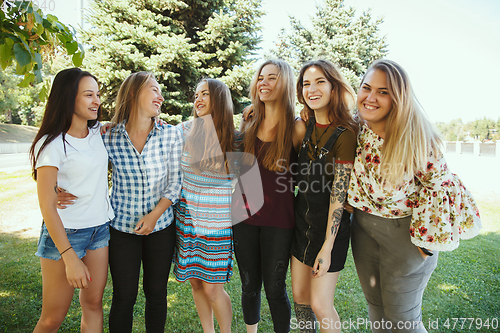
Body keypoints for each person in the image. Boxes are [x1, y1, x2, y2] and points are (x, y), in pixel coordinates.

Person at [346, 59, 482, 332]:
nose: (370, 98)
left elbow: (440, 188)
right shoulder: (356, 128)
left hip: (406, 236)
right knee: (377, 312)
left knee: (403, 321)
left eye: (383, 92)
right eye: (366, 88)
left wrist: (424, 246)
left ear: (398, 98)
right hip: (363, 230)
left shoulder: (416, 138)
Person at [29, 68, 114, 333]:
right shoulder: (52, 143)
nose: (96, 101)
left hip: (99, 230)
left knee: (93, 304)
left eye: (97, 94)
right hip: (65, 235)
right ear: (68, 98)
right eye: (88, 95)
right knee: (53, 318)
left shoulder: (98, 132)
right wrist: (69, 257)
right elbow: (47, 206)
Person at [103, 72, 183, 332]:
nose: (161, 97)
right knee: (124, 297)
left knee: (156, 294)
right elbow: (82, 165)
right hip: (121, 229)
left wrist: (155, 215)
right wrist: (58, 187)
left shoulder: (170, 135)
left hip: (160, 228)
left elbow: (175, 183)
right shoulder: (108, 135)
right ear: (134, 93)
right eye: (155, 90)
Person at [232, 59, 305, 333]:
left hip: (279, 222)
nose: (263, 82)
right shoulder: (250, 119)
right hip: (243, 217)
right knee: (250, 286)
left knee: (275, 288)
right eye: (261, 77)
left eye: (272, 78)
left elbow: (306, 175)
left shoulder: (296, 128)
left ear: (284, 82)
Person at [291, 60, 358, 333]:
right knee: (300, 299)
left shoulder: (346, 133)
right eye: (307, 83)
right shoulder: (302, 127)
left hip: (330, 231)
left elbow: (338, 196)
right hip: (301, 225)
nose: (312, 88)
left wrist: (327, 247)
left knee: (320, 304)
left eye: (320, 82)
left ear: (333, 87)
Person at [173, 78, 238, 333]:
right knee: (196, 283)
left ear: (219, 100)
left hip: (217, 225)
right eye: (196, 94)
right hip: (187, 221)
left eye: (205, 94)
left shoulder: (236, 138)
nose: (198, 99)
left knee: (213, 287)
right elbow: (152, 131)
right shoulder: (184, 130)